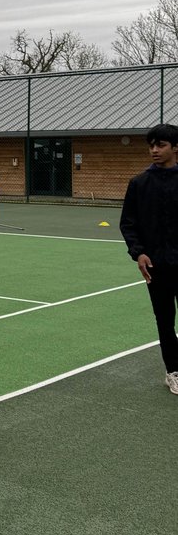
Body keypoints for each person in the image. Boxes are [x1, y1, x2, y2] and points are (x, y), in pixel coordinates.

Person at [120, 123, 178, 395]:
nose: (154, 150)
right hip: (157, 267)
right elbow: (128, 224)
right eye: (151, 145)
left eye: (161, 145)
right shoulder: (139, 183)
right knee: (165, 321)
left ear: (175, 148)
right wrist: (138, 252)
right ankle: (173, 371)